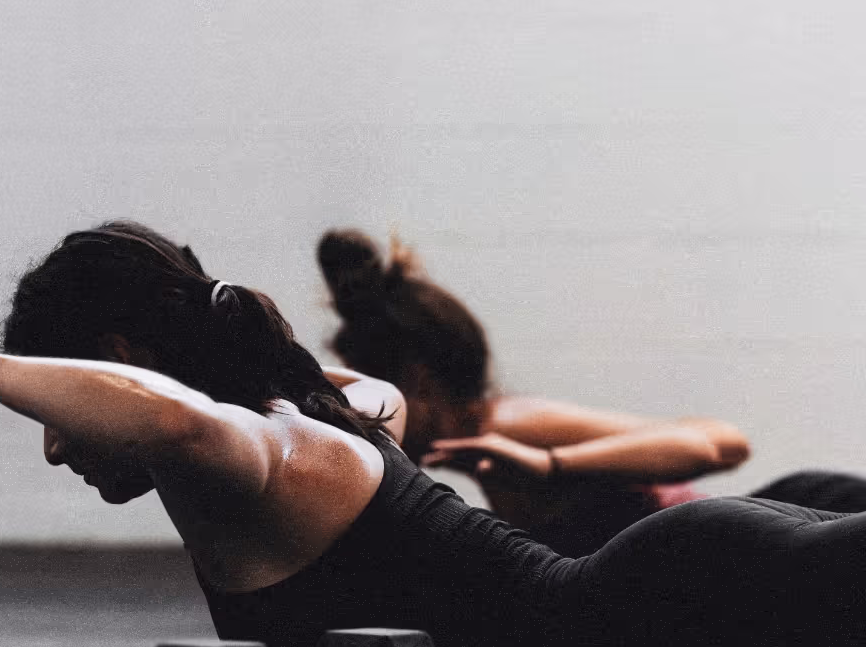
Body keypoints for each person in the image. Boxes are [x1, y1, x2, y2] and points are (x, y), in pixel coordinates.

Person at [0, 221, 866, 647]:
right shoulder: (330, 408)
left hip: (675, 621)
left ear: (117, 361)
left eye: (57, 405)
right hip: (680, 643)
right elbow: (257, 393)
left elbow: (171, 418)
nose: (57, 446)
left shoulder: (255, 454)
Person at [318, 229, 866, 555]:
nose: (359, 412)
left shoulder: (510, 427)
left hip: (796, 525)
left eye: (367, 391)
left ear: (418, 379)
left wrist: (549, 464)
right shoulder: (483, 452)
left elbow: (718, 444)